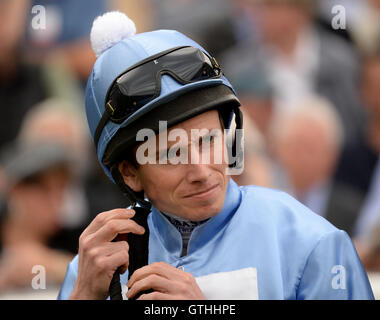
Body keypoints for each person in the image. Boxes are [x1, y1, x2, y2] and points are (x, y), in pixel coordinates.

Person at [58, 12, 373, 300]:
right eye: (172, 153)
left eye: (209, 140)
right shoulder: (92, 269)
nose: (201, 170)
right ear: (129, 173)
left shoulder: (314, 245)